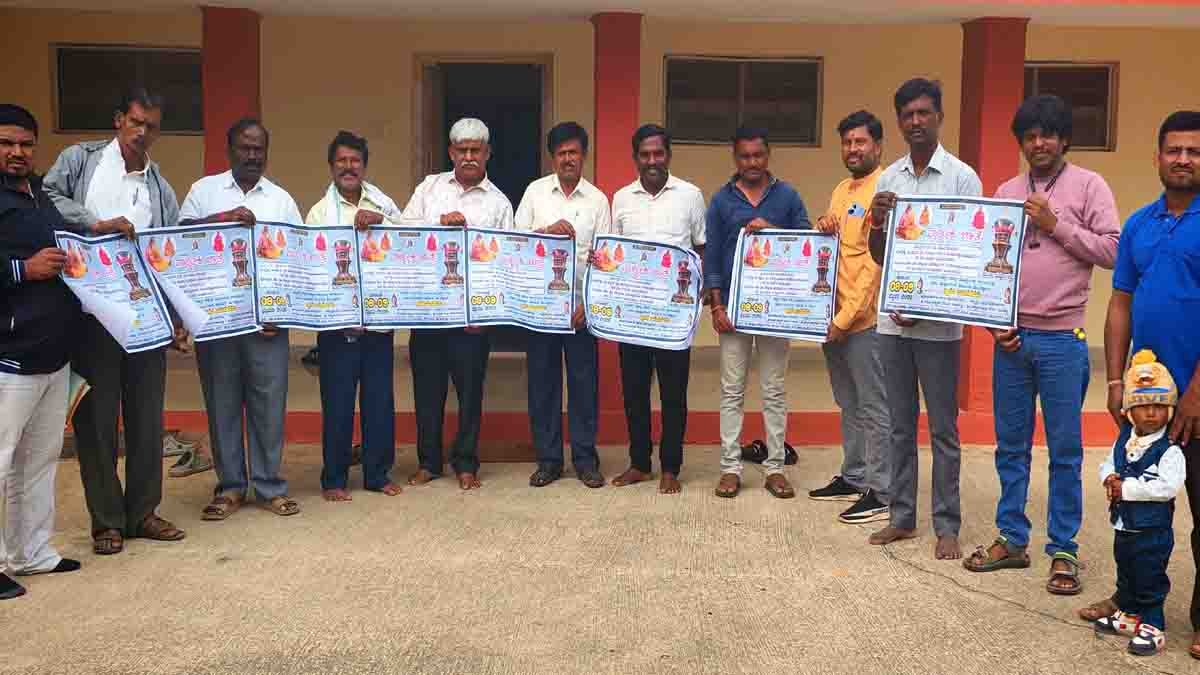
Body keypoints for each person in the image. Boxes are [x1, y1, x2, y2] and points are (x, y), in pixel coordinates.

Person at [964, 94, 1120, 593]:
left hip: (1061, 340)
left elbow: (1113, 250)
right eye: (1030, 135)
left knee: (1065, 451)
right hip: (1011, 340)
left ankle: (1064, 550)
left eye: (1048, 133)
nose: (1039, 142)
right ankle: (1012, 538)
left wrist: (1056, 225)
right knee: (1010, 448)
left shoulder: (1089, 186)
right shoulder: (1007, 189)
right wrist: (994, 324)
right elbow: (988, 267)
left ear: (1064, 138)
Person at [43, 87, 186, 555]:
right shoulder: (81, 161)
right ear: (118, 119)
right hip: (91, 316)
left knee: (147, 420)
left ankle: (143, 512)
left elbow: (168, 252)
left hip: (144, 316)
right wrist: (93, 223)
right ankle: (106, 520)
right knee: (97, 421)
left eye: (152, 126)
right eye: (136, 122)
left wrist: (176, 313)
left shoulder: (159, 187)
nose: (143, 133)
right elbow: (45, 197)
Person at [1096, 110, 1200, 658]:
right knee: (1136, 513)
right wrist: (1116, 380)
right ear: (1157, 156)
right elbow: (1120, 303)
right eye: (1174, 150)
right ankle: (1131, 600)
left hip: (1197, 401)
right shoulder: (1137, 224)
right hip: (1146, 405)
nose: (1184, 159)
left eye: (1194, 151)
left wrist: (1196, 391)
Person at [866, 78, 982, 559]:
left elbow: (968, 255)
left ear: (939, 116)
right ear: (898, 122)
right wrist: (876, 220)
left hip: (938, 328)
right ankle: (901, 517)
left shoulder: (961, 178)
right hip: (893, 324)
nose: (916, 121)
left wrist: (927, 304)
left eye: (924, 113)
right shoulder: (888, 178)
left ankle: (947, 524)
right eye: (907, 115)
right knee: (898, 424)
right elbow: (879, 256)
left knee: (942, 428)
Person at [178, 118, 303, 520]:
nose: (252, 155)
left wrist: (281, 313)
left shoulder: (281, 200)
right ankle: (230, 487)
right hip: (216, 322)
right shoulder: (203, 192)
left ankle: (268, 486)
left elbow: (296, 260)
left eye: (259, 149)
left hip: (266, 322)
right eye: (245, 148)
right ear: (229, 149)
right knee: (222, 403)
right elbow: (180, 243)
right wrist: (222, 220)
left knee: (269, 404)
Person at [399, 118, 513, 491]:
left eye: (475, 150)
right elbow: (404, 235)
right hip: (429, 311)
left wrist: (487, 313)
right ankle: (428, 462)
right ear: (450, 152)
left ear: (487, 154)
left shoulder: (498, 202)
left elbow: (506, 261)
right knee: (427, 391)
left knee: (470, 395)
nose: (468, 156)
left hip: (471, 318)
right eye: (461, 149)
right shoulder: (429, 189)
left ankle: (466, 462)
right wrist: (439, 222)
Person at [0, 104, 83, 599]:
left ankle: (31, 553)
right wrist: (21, 270)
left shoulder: (38, 195)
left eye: (25, 144)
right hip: (9, 354)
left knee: (39, 458)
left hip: (53, 351)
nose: (16, 152)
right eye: (7, 143)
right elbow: (25, 265)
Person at [704, 126, 810, 499]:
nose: (752, 162)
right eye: (745, 156)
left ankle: (775, 468)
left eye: (758, 156)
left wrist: (773, 230)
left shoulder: (787, 196)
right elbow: (712, 253)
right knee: (731, 390)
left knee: (774, 390)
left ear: (768, 156)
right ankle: (730, 468)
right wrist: (716, 304)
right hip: (733, 309)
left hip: (775, 310)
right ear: (736, 159)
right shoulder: (721, 200)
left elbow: (807, 246)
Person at [608, 124, 706, 494]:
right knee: (634, 392)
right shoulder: (621, 199)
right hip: (632, 316)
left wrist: (696, 292)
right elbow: (613, 254)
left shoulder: (690, 195)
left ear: (668, 155)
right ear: (635, 158)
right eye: (645, 154)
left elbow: (701, 247)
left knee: (673, 394)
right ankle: (638, 463)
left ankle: (670, 467)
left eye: (658, 153)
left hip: (672, 318)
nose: (652, 161)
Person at [306, 130, 401, 501]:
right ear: (332, 167)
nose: (349, 167)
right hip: (337, 323)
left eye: (355, 160)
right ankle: (334, 480)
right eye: (342, 161)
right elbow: (312, 265)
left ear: (364, 165)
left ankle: (378, 475)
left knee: (379, 402)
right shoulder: (319, 212)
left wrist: (380, 221)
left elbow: (407, 245)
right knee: (338, 403)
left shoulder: (384, 203)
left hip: (378, 320)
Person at [514, 122, 609, 489]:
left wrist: (590, 303)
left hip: (580, 312)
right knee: (543, 386)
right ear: (552, 157)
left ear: (584, 156)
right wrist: (545, 232)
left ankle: (586, 460)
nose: (568, 158)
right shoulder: (535, 193)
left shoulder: (599, 200)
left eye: (574, 152)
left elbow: (605, 258)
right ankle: (549, 460)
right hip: (540, 310)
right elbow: (516, 243)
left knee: (584, 387)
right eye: (561, 153)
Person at [810, 111, 891, 524]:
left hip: (864, 322)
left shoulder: (884, 190)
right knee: (848, 402)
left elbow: (875, 266)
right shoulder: (843, 189)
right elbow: (836, 248)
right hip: (833, 316)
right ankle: (855, 474)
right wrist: (825, 224)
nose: (853, 149)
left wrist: (844, 319)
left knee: (874, 404)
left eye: (860, 142)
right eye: (847, 142)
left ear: (877, 146)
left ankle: (882, 490)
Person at [1090, 350, 1184, 656]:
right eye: (1143, 406)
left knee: (1149, 576)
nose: (1151, 414)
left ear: (1170, 410)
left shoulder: (1169, 449)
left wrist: (1126, 488)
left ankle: (1154, 625)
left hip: (1152, 531)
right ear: (1130, 410)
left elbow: (1168, 487)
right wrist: (1108, 478)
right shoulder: (1124, 439)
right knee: (1127, 571)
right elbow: (1108, 463)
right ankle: (1129, 616)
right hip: (1124, 525)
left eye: (1159, 406)